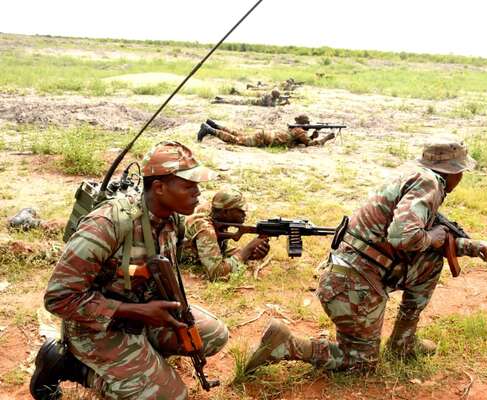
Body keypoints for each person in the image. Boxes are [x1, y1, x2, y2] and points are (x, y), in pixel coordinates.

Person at [244, 135, 487, 373]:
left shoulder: (411, 175)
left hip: (346, 280)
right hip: (353, 289)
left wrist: (478, 247)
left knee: (429, 260)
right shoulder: (429, 184)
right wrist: (432, 237)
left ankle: (403, 343)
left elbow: (427, 242)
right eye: (461, 171)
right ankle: (287, 344)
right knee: (360, 363)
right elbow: (403, 236)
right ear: (454, 171)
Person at [30, 141, 229, 400]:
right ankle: (70, 366)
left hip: (144, 315)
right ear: (159, 187)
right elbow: (58, 298)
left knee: (213, 335)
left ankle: (143, 361)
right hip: (96, 327)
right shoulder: (108, 224)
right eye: (189, 186)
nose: (198, 194)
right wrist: (136, 311)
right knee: (170, 396)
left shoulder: (171, 220)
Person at [184, 189, 270, 281]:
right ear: (226, 212)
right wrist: (246, 251)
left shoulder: (217, 212)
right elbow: (216, 273)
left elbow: (221, 251)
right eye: (240, 211)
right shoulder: (205, 227)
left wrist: (252, 254)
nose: (244, 214)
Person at [196, 115, 335, 148]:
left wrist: (314, 134)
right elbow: (310, 144)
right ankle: (210, 130)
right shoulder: (299, 131)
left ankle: (214, 125)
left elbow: (303, 141)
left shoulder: (296, 129)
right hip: (264, 139)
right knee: (237, 140)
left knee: (238, 134)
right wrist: (326, 138)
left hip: (264, 135)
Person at [211, 89, 290, 107]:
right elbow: (270, 105)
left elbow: (274, 103)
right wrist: (283, 103)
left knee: (235, 100)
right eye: (277, 95)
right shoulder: (270, 97)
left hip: (252, 101)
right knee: (234, 102)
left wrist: (282, 101)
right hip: (251, 102)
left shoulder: (271, 96)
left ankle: (221, 99)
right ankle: (218, 101)